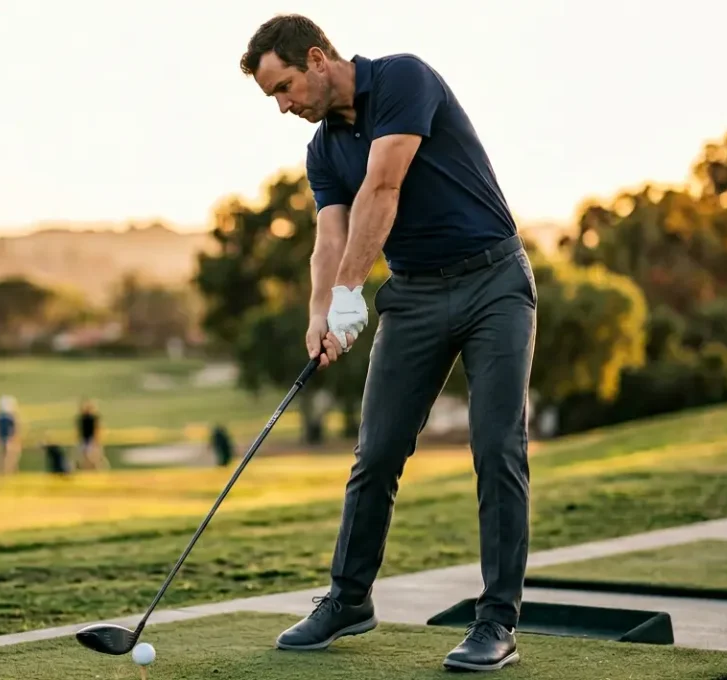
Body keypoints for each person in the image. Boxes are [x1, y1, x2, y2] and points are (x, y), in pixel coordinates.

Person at [239, 14, 537, 673]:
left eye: (284, 88)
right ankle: (349, 600)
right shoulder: (323, 151)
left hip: (493, 282)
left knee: (497, 447)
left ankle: (497, 622)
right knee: (375, 452)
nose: (283, 107)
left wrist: (350, 293)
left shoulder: (403, 79)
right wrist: (320, 311)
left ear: (317, 59)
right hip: (414, 295)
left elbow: (383, 187)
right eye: (273, 97)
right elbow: (330, 236)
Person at [75, 398, 109, 470]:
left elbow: (97, 429)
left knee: (95, 456)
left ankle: (98, 468)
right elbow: (79, 430)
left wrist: (96, 440)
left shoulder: (93, 418)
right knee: (83, 456)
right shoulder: (82, 418)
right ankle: (85, 468)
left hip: (91, 439)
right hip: (84, 439)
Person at [0, 395, 21, 474]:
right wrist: (14, 436)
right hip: (7, 437)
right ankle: (8, 470)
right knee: (9, 453)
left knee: (3, 453)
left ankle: (3, 470)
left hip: (2, 437)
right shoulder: (11, 416)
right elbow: (15, 428)